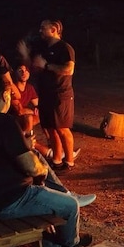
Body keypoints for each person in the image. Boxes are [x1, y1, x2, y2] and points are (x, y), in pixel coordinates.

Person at [0, 72, 91, 247]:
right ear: (4, 95)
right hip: (4, 202)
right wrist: (40, 169)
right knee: (70, 205)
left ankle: (52, 241)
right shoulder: (3, 122)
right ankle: (68, 246)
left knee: (46, 198)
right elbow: (30, 166)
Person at [18, 19, 77, 173]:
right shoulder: (43, 48)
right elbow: (34, 67)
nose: (40, 31)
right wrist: (25, 55)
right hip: (45, 93)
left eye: (43, 28)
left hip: (60, 94)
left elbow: (69, 69)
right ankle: (57, 160)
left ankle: (69, 161)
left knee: (62, 128)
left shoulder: (65, 48)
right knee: (50, 128)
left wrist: (47, 65)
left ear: (54, 29)